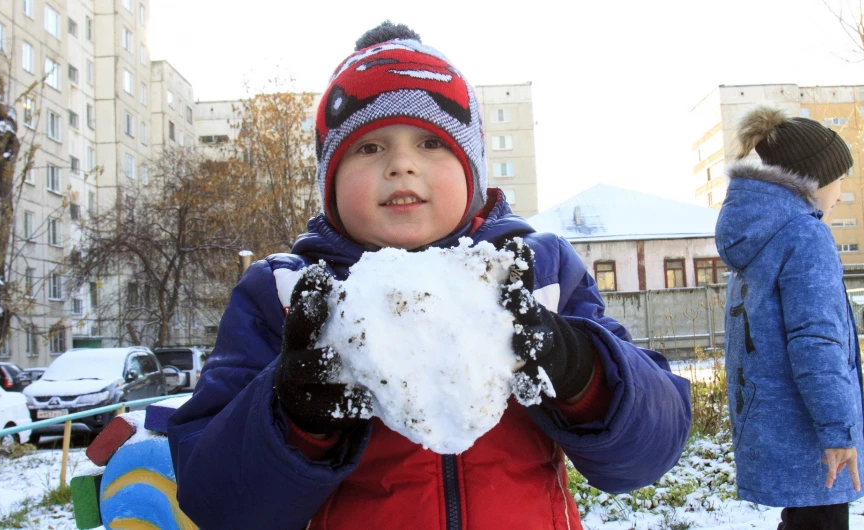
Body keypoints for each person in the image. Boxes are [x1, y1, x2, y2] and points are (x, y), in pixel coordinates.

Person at [167, 21, 691, 529]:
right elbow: (217, 503)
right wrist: (294, 420)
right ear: (330, 180)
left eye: (431, 143)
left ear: (473, 169)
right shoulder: (286, 295)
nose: (401, 165)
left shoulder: (540, 272)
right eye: (369, 147)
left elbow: (648, 452)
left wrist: (583, 372)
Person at [716, 106, 864, 530]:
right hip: (812, 433)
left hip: (779, 422)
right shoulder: (806, 235)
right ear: (814, 179)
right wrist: (838, 432)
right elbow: (816, 341)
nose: (841, 192)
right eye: (840, 178)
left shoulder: (761, 235)